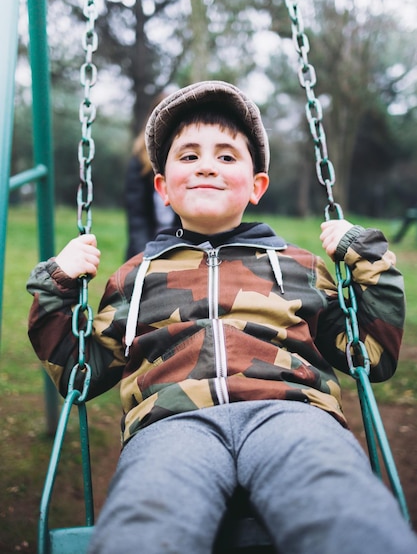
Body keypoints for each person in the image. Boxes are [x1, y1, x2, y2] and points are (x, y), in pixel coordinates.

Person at [27, 81, 417, 554]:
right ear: (163, 187)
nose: (207, 164)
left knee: (340, 505)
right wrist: (57, 286)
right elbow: (79, 377)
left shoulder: (300, 267)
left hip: (291, 412)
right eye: (188, 156)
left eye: (227, 156)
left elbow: (372, 356)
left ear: (256, 186)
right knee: (145, 524)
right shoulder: (134, 278)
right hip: (171, 425)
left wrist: (370, 259)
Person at [125, 92, 178, 260]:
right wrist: (145, 258)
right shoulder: (139, 162)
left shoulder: (189, 162)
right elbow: (137, 217)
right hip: (146, 246)